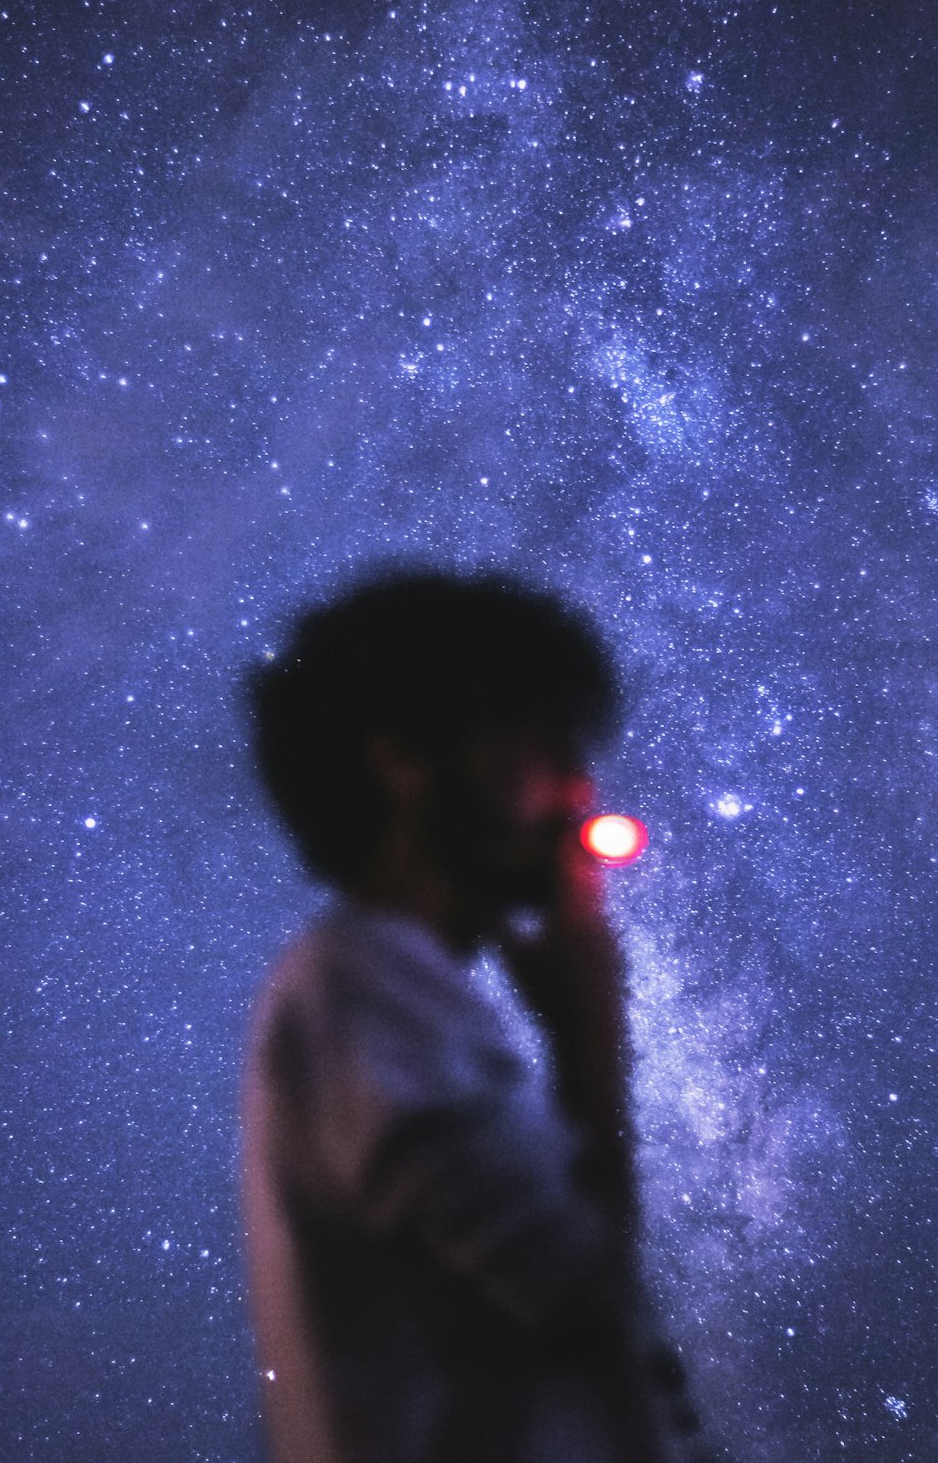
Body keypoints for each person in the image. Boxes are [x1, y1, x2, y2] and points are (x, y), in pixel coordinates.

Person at [242, 568, 708, 1463]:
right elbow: (576, 1289)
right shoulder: (360, 986)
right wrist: (590, 1033)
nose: (576, 788)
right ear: (404, 763)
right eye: (545, 745)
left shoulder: (391, 991)